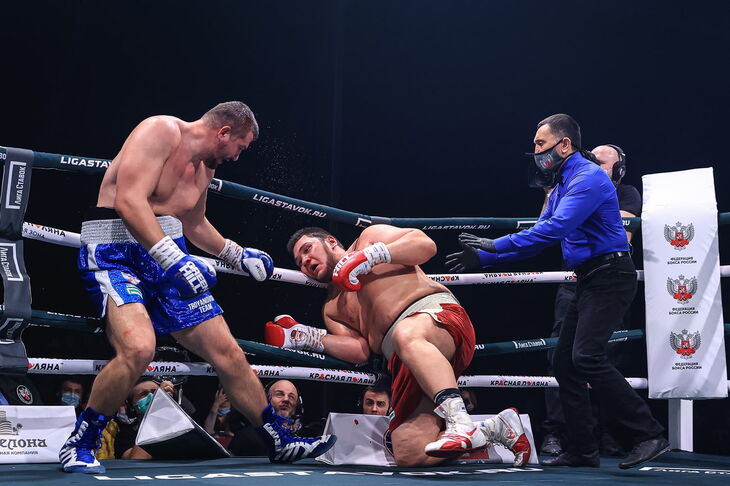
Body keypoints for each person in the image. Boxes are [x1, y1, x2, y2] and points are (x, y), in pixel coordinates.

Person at [59, 102, 335, 474]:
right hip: (116, 254)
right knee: (139, 348)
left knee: (230, 353)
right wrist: (172, 258)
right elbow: (128, 201)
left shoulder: (205, 167)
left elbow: (194, 222)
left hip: (167, 255)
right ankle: (81, 442)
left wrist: (235, 253)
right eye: (240, 146)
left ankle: (280, 442)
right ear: (224, 132)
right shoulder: (160, 131)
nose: (237, 156)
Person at [445, 114, 668, 469]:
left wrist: (495, 244)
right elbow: (540, 235)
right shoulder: (562, 184)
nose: (535, 152)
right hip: (587, 278)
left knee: (587, 357)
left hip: (611, 275)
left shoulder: (588, 177)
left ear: (564, 144)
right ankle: (583, 449)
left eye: (540, 144)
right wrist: (484, 258)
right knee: (564, 363)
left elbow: (556, 228)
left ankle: (648, 434)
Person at [274, 225, 530, 467]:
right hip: (405, 360)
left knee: (404, 334)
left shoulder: (368, 238)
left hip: (437, 319)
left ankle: (459, 421)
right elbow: (359, 351)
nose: (305, 261)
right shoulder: (331, 308)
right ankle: (496, 428)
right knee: (410, 453)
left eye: (307, 249)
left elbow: (425, 245)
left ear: (330, 242)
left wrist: (369, 256)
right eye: (299, 262)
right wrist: (309, 338)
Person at [540, 143, 641, 457]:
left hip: (607, 276)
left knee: (601, 356)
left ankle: (620, 433)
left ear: (619, 170)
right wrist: (554, 191)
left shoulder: (624, 194)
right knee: (561, 357)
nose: (594, 167)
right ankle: (564, 435)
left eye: (602, 163)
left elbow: (621, 236)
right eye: (591, 161)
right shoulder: (572, 188)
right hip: (576, 280)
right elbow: (545, 227)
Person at [228, 380, 307, 456]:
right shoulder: (246, 436)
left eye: (291, 397)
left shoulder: (308, 436)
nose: (286, 399)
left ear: (298, 406)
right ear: (266, 400)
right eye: (279, 394)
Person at [114, 377, 175, 459]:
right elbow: (137, 459)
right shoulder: (125, 435)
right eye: (143, 394)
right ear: (132, 406)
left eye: (155, 392)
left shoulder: (177, 423)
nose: (153, 396)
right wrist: (155, 407)